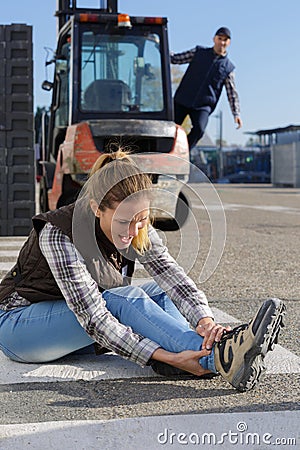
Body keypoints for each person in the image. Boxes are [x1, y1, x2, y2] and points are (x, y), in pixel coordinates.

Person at [0, 150, 285, 392]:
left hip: (70, 330)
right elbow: (94, 317)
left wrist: (206, 322)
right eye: (124, 221)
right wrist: (160, 356)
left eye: (142, 219)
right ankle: (215, 358)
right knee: (122, 299)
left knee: (161, 291)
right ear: (96, 208)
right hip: (19, 329)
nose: (134, 230)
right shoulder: (59, 233)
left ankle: (204, 348)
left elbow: (174, 279)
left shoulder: (136, 227)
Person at [171, 27, 243, 150]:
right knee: (170, 128)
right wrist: (158, 45)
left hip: (203, 106)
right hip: (183, 99)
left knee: (199, 129)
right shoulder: (198, 52)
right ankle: (164, 150)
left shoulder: (228, 68)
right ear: (214, 39)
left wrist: (236, 113)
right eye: (220, 39)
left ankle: (183, 151)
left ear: (229, 42)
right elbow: (176, 59)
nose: (222, 43)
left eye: (225, 40)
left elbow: (232, 93)